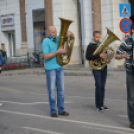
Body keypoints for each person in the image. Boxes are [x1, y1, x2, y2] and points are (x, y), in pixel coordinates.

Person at [42, 26, 75, 117]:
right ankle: (53, 110)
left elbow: (70, 36)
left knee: (61, 90)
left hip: (59, 67)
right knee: (52, 90)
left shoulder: (57, 38)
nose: (55, 34)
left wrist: (69, 33)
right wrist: (58, 51)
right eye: (53, 32)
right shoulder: (46, 41)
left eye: (56, 31)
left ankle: (61, 110)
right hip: (50, 68)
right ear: (48, 33)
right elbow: (46, 56)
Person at [115, 24, 134, 129]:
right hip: (130, 71)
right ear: (132, 30)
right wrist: (124, 56)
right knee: (131, 98)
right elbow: (117, 55)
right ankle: (132, 120)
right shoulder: (126, 41)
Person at [86, 31, 110, 112]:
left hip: (103, 67)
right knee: (98, 85)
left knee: (103, 86)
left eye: (99, 37)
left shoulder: (102, 45)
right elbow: (87, 56)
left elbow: (106, 54)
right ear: (93, 36)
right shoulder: (90, 45)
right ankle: (98, 105)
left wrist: (107, 59)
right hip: (96, 68)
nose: (98, 39)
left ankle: (102, 104)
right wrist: (98, 55)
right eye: (96, 37)